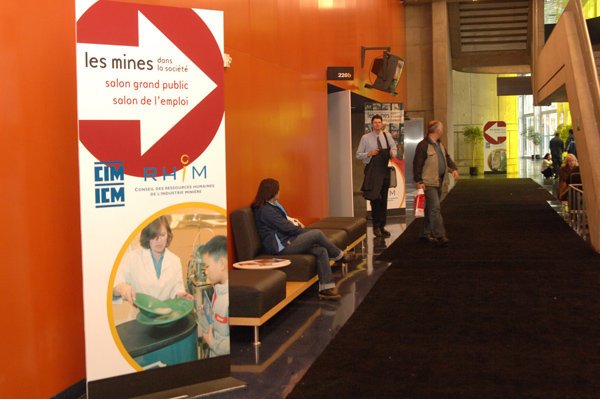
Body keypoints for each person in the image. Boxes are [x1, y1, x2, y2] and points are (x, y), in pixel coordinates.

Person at [251, 178, 356, 300]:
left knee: (321, 250)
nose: (279, 192)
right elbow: (288, 228)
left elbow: (287, 227)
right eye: (278, 190)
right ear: (273, 191)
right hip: (280, 246)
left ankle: (326, 288)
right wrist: (309, 236)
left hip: (287, 240)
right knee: (317, 234)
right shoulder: (265, 210)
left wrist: (308, 238)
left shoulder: (272, 206)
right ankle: (339, 256)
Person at [113, 216, 194, 320]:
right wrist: (122, 288)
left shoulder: (175, 261)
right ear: (147, 237)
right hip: (139, 320)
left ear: (168, 235)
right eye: (154, 236)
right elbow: (113, 286)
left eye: (163, 235)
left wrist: (179, 296)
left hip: (165, 318)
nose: (159, 240)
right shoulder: (132, 258)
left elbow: (177, 289)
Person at [413, 120, 459, 246]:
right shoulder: (423, 145)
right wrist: (419, 181)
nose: (442, 131)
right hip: (428, 183)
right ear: (438, 131)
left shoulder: (439, 144)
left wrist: (453, 169)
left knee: (430, 209)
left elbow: (447, 158)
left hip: (439, 181)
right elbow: (417, 164)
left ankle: (424, 234)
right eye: (442, 129)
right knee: (435, 208)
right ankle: (440, 235)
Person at [356, 114, 398, 238]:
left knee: (384, 200)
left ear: (382, 124)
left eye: (379, 122)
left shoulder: (387, 136)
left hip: (384, 171)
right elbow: (358, 155)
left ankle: (382, 226)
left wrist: (392, 153)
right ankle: (376, 226)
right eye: (375, 122)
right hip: (372, 171)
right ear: (372, 124)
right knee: (375, 199)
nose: (378, 124)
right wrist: (369, 153)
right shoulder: (365, 138)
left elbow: (395, 149)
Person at [199, 235, 230, 357]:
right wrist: (207, 315)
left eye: (207, 266)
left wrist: (213, 343)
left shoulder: (229, 299)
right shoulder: (218, 289)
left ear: (222, 264)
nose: (205, 271)